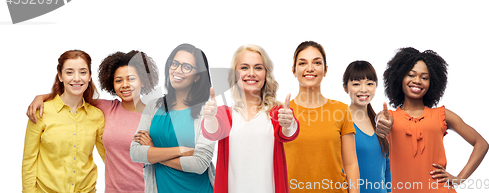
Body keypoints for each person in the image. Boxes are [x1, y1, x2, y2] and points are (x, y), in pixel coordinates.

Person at [26, 50, 160, 192]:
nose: (125, 85)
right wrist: (41, 97)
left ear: (143, 81)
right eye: (118, 80)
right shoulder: (106, 109)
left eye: (131, 79)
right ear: (111, 83)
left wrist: (153, 149)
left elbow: (172, 158)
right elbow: (74, 94)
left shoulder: (156, 116)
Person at [376, 47, 489, 192]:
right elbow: (380, 120)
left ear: (432, 82)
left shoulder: (442, 115)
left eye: (424, 77)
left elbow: (481, 144)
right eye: (411, 75)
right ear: (399, 77)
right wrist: (381, 123)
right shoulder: (388, 116)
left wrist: (459, 178)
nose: (417, 81)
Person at [202, 44, 300, 193]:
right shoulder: (224, 114)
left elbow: (288, 133)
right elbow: (212, 131)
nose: (251, 73)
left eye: (258, 68)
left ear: (266, 75)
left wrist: (289, 123)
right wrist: (209, 117)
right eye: (244, 67)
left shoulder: (277, 113)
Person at [130, 43, 215, 193]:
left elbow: (199, 164)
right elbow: (136, 152)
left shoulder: (207, 112)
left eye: (187, 67)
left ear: (197, 76)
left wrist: (153, 151)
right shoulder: (153, 106)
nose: (177, 70)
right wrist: (181, 150)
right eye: (174, 64)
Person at [22, 50, 105, 193]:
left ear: (90, 76)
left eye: (83, 72)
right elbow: (29, 160)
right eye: (69, 72)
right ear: (60, 76)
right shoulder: (41, 111)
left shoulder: (97, 115)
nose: (77, 78)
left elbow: (109, 157)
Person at [284, 41, 360, 193]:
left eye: (317, 62)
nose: (310, 68)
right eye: (302, 63)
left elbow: (350, 164)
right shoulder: (281, 113)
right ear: (294, 70)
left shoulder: (341, 110)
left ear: (325, 70)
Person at [342, 61, 390, 193]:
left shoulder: (381, 123)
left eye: (370, 83)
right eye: (356, 84)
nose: (364, 89)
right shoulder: (340, 122)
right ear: (345, 88)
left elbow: (388, 169)